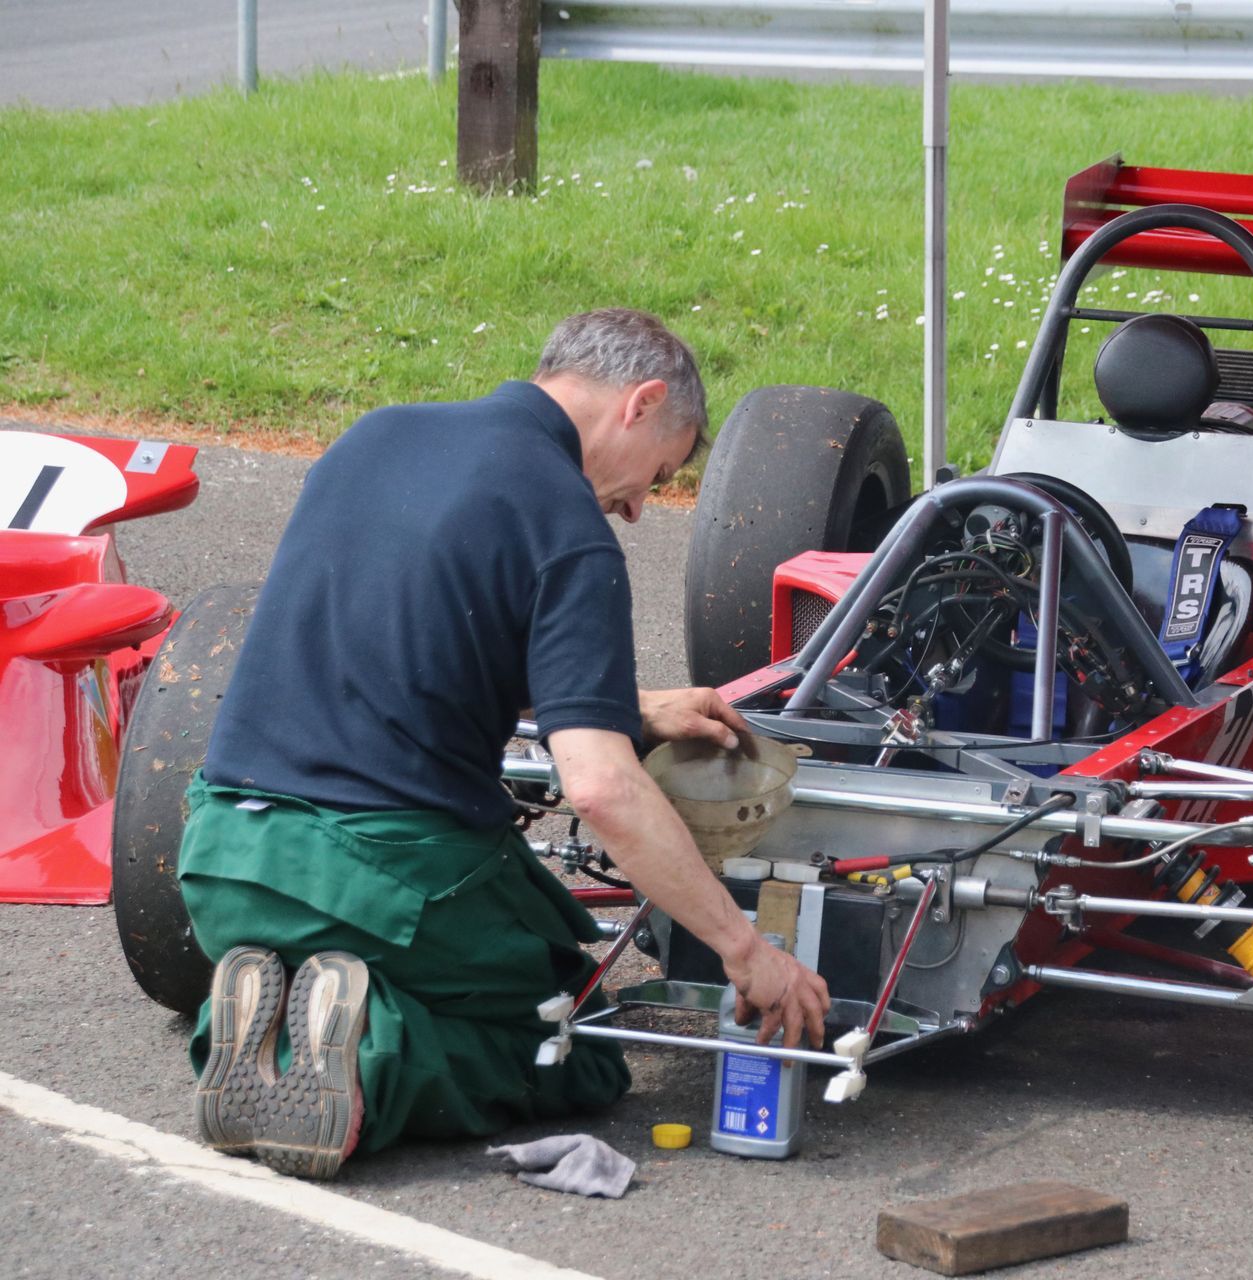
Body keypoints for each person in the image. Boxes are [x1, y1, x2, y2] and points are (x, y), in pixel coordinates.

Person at [179, 307, 830, 1179]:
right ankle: (373, 1048)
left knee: (406, 956)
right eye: (660, 474)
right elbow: (599, 789)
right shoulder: (568, 528)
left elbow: (427, 633)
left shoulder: (375, 437)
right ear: (641, 402)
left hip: (224, 856)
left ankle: (264, 1008)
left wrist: (627, 705)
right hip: (374, 880)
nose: (639, 508)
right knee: (577, 1037)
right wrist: (744, 951)